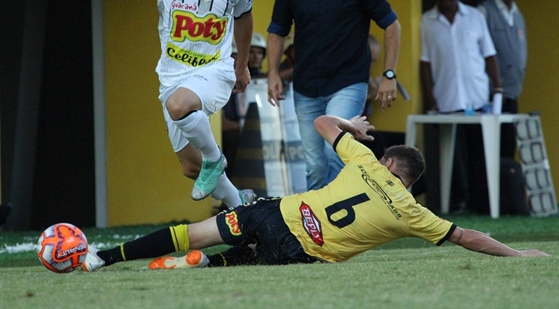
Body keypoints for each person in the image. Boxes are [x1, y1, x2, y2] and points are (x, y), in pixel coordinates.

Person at [81, 114, 548, 272]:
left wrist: (354, 127)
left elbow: (322, 122)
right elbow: (468, 237)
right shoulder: (411, 213)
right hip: (299, 252)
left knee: (193, 232)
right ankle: (212, 263)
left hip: (275, 214)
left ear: (388, 162)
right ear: (407, 181)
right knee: (242, 261)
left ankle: (104, 257)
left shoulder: (365, 159)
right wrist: (518, 254)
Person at [62, 0, 256, 208]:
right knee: (191, 167)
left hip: (214, 69)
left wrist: (241, 65)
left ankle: (215, 158)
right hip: (171, 75)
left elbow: (244, 18)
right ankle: (242, 207)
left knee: (180, 106)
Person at [266, 0, 402, 191]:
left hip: (348, 83)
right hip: (305, 88)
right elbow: (277, 31)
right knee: (315, 166)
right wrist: (272, 74)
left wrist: (389, 74)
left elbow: (392, 24)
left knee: (335, 152)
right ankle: (320, 230)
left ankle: (341, 224)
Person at [420, 0, 503, 214]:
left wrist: (497, 86)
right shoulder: (427, 21)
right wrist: (430, 96)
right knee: (452, 156)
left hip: (477, 97)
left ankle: (481, 203)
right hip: (446, 99)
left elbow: (488, 54)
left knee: (479, 152)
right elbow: (424, 62)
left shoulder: (475, 16)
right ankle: (459, 201)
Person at [478, 0, 527, 158]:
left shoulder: (518, 15)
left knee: (508, 146)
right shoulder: (484, 10)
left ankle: (505, 188)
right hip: (492, 94)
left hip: (512, 91)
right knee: (489, 149)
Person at [221, 32, 268, 177]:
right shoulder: (222, 84)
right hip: (237, 136)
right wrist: (246, 127)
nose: (255, 57)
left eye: (260, 53)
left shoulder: (264, 82)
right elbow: (221, 124)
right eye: (231, 58)